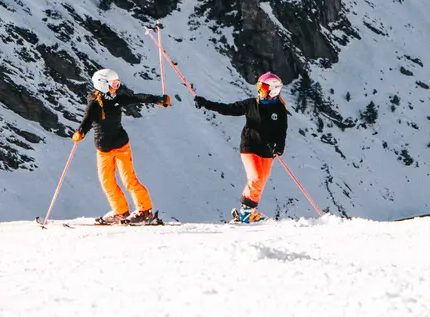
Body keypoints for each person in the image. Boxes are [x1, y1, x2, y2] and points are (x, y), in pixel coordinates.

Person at [72, 68, 170, 226]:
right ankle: (120, 211)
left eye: (117, 83)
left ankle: (145, 211)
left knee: (129, 179)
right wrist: (81, 132)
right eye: (114, 84)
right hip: (103, 149)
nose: (117, 87)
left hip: (121, 145)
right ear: (103, 84)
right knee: (107, 181)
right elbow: (88, 119)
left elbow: (136, 98)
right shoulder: (94, 102)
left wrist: (157, 99)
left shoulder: (117, 98)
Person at [194, 72, 289, 223]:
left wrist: (279, 147)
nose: (260, 90)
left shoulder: (279, 109)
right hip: (250, 146)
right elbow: (228, 109)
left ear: (274, 89)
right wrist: (206, 104)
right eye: (259, 86)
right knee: (256, 178)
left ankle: (248, 212)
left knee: (260, 182)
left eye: (263, 87)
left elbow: (281, 130)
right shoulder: (251, 104)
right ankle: (246, 213)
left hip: (267, 151)